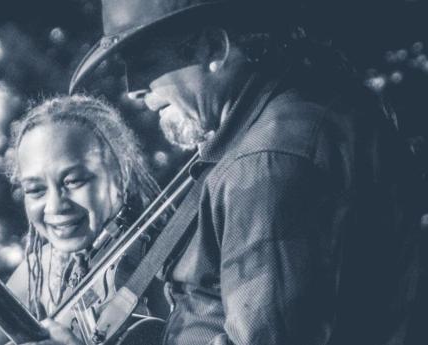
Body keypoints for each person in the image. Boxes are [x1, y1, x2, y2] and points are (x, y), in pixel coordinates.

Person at [63, 0, 423, 344]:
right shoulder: (302, 111)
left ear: (212, 49)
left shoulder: (266, 162)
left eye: (146, 61)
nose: (133, 89)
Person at [0, 94, 166, 345]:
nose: (55, 206)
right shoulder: (41, 269)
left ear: (121, 175)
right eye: (36, 190)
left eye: (73, 181)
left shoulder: (168, 260)